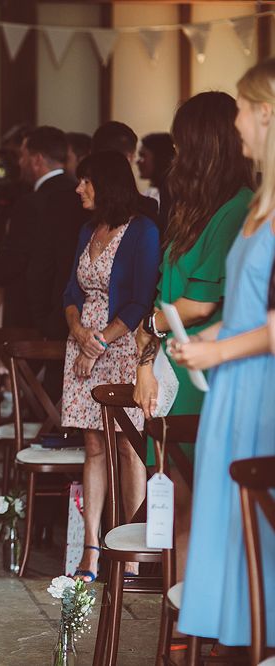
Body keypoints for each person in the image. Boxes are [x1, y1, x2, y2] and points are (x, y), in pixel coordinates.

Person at [169, 59, 275, 652]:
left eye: (240, 105)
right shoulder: (262, 201)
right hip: (235, 382)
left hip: (261, 390)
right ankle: (244, 641)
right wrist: (216, 344)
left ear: (265, 113)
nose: (233, 118)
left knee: (257, 526)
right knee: (231, 527)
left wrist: (219, 347)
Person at [133, 92, 253, 582]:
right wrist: (144, 361)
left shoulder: (237, 209)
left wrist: (150, 328)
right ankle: (179, 616)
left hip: (207, 373)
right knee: (175, 501)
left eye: (182, 145)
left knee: (203, 501)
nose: (175, 157)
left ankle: (205, 619)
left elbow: (199, 304)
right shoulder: (193, 210)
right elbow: (164, 295)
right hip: (172, 369)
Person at [62, 151, 160, 582]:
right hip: (82, 347)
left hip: (122, 348)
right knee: (94, 447)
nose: (80, 188)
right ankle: (91, 548)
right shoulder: (88, 229)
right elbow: (69, 289)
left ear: (107, 182)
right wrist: (79, 333)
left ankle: (132, 549)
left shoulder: (143, 231)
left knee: (127, 445)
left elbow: (141, 298)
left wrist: (98, 342)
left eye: (86, 181)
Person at [0, 127, 84, 329]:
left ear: (37, 160)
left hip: (31, 312)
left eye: (22, 156)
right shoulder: (80, 195)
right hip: (74, 309)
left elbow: (16, 260)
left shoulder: (30, 203)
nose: (20, 162)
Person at [91, 121, 159, 223]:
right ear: (127, 158)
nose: (137, 161)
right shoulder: (145, 207)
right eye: (135, 155)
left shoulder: (76, 199)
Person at [137, 132, 175, 234]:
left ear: (158, 157)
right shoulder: (160, 188)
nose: (138, 161)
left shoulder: (171, 189)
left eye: (143, 156)